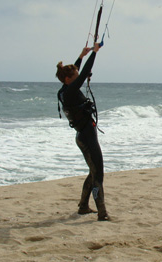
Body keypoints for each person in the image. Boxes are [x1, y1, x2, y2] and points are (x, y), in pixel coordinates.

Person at [55, 43, 109, 221]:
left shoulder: (64, 90)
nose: (79, 78)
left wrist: (81, 55)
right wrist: (94, 53)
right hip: (86, 137)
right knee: (98, 175)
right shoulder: (70, 91)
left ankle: (84, 206)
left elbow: (76, 72)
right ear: (69, 80)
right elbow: (84, 72)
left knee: (93, 172)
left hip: (83, 136)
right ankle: (102, 213)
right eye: (75, 76)